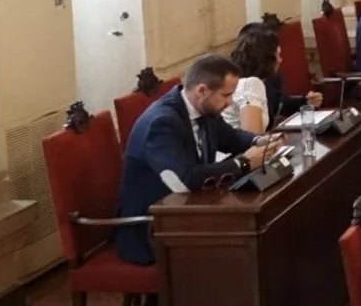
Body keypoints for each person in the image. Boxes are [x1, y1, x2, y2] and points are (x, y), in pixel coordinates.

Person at [113, 56, 280, 264]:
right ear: (202, 90)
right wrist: (242, 163)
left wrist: (260, 140)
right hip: (152, 230)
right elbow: (185, 180)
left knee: (263, 233)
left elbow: (230, 137)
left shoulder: (204, 108)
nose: (230, 103)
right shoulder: (162, 122)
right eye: (226, 95)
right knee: (243, 247)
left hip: (189, 212)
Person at [225, 22, 321, 133]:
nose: (280, 60)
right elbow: (253, 140)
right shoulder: (250, 84)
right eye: (278, 55)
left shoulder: (261, 79)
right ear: (266, 59)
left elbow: (277, 103)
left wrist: (305, 101)